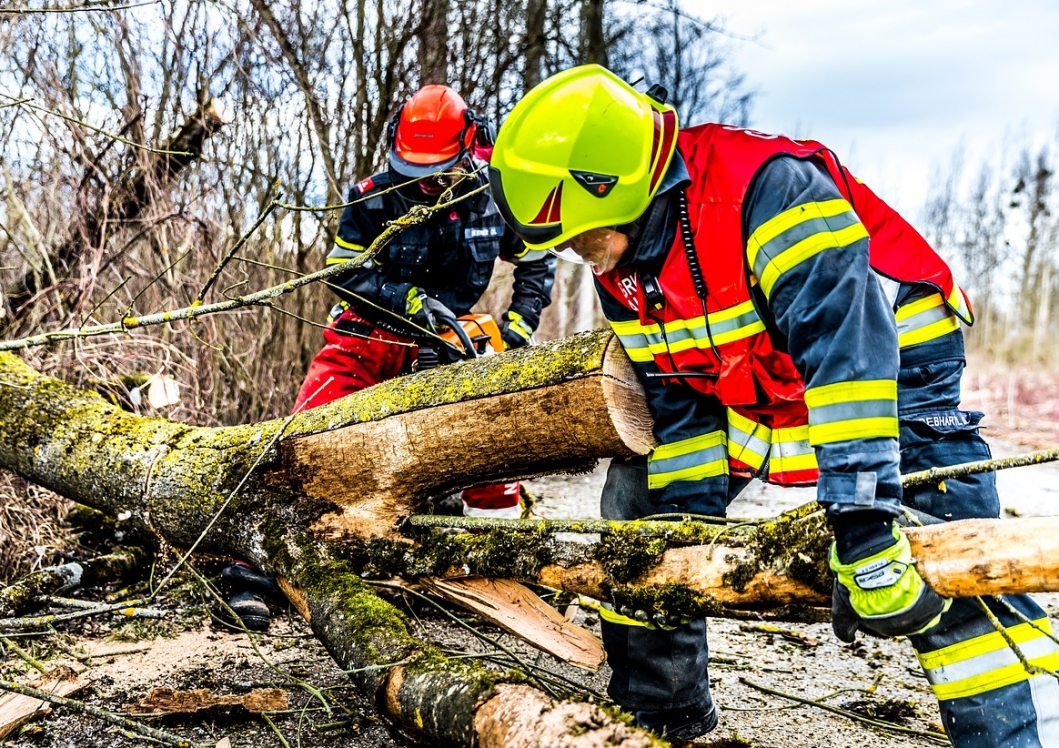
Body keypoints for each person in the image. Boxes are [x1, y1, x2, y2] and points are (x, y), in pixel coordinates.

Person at [487, 64, 1059, 745]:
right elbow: (677, 396)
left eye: (585, 240)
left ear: (625, 192)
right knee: (640, 508)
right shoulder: (629, 259)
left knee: (944, 559)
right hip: (759, 379)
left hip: (891, 375)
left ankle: (1016, 735)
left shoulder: (770, 192)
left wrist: (863, 524)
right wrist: (681, 531)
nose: (589, 262)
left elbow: (848, 361)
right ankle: (660, 711)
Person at [223, 84, 556, 631]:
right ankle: (253, 570)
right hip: (370, 330)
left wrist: (516, 328)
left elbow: (537, 259)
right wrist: (405, 300)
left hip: (456, 336)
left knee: (494, 438)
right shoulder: (373, 197)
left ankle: (502, 566)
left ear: (468, 148)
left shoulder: (494, 197)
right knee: (305, 439)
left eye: (437, 169)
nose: (424, 181)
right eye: (414, 168)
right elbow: (343, 273)